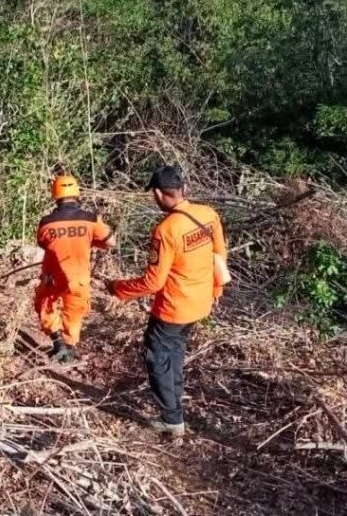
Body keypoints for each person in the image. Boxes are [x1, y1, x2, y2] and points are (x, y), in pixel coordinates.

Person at [108, 165, 229, 436]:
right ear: (183, 188)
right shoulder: (208, 214)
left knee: (157, 356)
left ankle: (172, 420)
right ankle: (175, 402)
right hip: (200, 303)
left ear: (161, 194)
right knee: (174, 352)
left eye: (154, 194)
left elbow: (153, 282)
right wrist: (217, 291)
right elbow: (220, 253)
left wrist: (118, 289)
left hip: (173, 308)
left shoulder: (166, 229)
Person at [35, 175, 116, 364]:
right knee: (74, 313)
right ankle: (69, 350)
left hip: (51, 277)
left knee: (45, 304)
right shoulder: (91, 219)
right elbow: (111, 243)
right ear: (77, 194)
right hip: (78, 278)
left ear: (55, 195)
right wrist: (91, 241)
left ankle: (57, 342)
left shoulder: (46, 222)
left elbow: (43, 244)